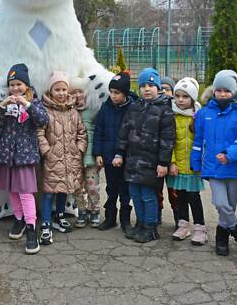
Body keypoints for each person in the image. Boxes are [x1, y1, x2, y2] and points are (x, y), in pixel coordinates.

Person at [191, 70, 237, 256]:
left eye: (227, 90)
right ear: (214, 91)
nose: (222, 94)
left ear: (234, 92)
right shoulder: (204, 114)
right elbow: (198, 140)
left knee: (230, 206)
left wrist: (229, 154)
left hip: (234, 167)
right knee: (220, 202)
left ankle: (222, 237)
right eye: (218, 90)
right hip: (213, 167)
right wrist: (196, 162)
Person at [0, 63, 49, 255]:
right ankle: (19, 219)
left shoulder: (35, 102)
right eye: (12, 84)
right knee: (13, 191)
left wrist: (27, 105)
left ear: (26, 85)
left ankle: (32, 227)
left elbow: (43, 120)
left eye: (19, 84)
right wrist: (1, 106)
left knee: (25, 192)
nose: (15, 89)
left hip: (25, 156)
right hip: (8, 155)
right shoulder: (5, 102)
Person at [115, 68, 175, 243]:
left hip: (152, 162)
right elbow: (124, 132)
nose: (147, 89)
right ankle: (140, 223)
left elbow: (167, 139)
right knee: (135, 193)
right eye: (143, 86)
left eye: (150, 85)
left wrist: (163, 163)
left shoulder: (165, 110)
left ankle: (151, 227)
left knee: (148, 195)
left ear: (158, 87)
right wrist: (119, 152)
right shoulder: (135, 107)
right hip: (133, 161)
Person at [37, 72, 87, 245]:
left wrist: (79, 149)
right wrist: (46, 151)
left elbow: (82, 132)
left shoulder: (73, 111)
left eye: (64, 89)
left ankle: (59, 216)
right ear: (51, 91)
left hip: (70, 158)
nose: (61, 93)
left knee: (64, 190)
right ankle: (45, 222)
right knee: (49, 192)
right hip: (52, 159)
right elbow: (39, 133)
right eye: (57, 89)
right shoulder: (45, 111)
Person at [93, 71, 135, 232]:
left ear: (124, 93)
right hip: (109, 156)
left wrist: (125, 154)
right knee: (111, 189)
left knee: (125, 190)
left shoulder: (132, 108)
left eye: (116, 93)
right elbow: (99, 130)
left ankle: (125, 220)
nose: (113, 96)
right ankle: (110, 218)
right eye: (111, 92)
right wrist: (98, 153)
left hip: (126, 158)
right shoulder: (106, 108)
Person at [167, 78, 207, 245]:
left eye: (185, 96)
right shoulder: (171, 115)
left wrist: (200, 162)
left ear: (192, 98)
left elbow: (203, 141)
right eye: (177, 96)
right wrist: (172, 162)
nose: (180, 100)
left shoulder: (199, 116)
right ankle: (183, 225)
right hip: (178, 166)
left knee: (194, 197)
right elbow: (169, 142)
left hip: (193, 166)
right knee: (180, 197)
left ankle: (200, 229)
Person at [70, 75, 101, 228]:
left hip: (91, 155)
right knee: (77, 186)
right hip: (75, 156)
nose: (77, 95)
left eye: (80, 91)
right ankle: (82, 210)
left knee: (92, 185)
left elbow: (100, 131)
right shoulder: (69, 110)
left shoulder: (93, 109)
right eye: (74, 92)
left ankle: (95, 210)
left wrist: (98, 153)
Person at [156, 75, 179, 227]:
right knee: (156, 189)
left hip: (174, 158)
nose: (164, 92)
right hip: (156, 157)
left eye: (167, 89)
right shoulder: (154, 108)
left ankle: (179, 217)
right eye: (161, 88)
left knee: (174, 191)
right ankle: (156, 213)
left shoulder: (178, 110)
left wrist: (173, 160)